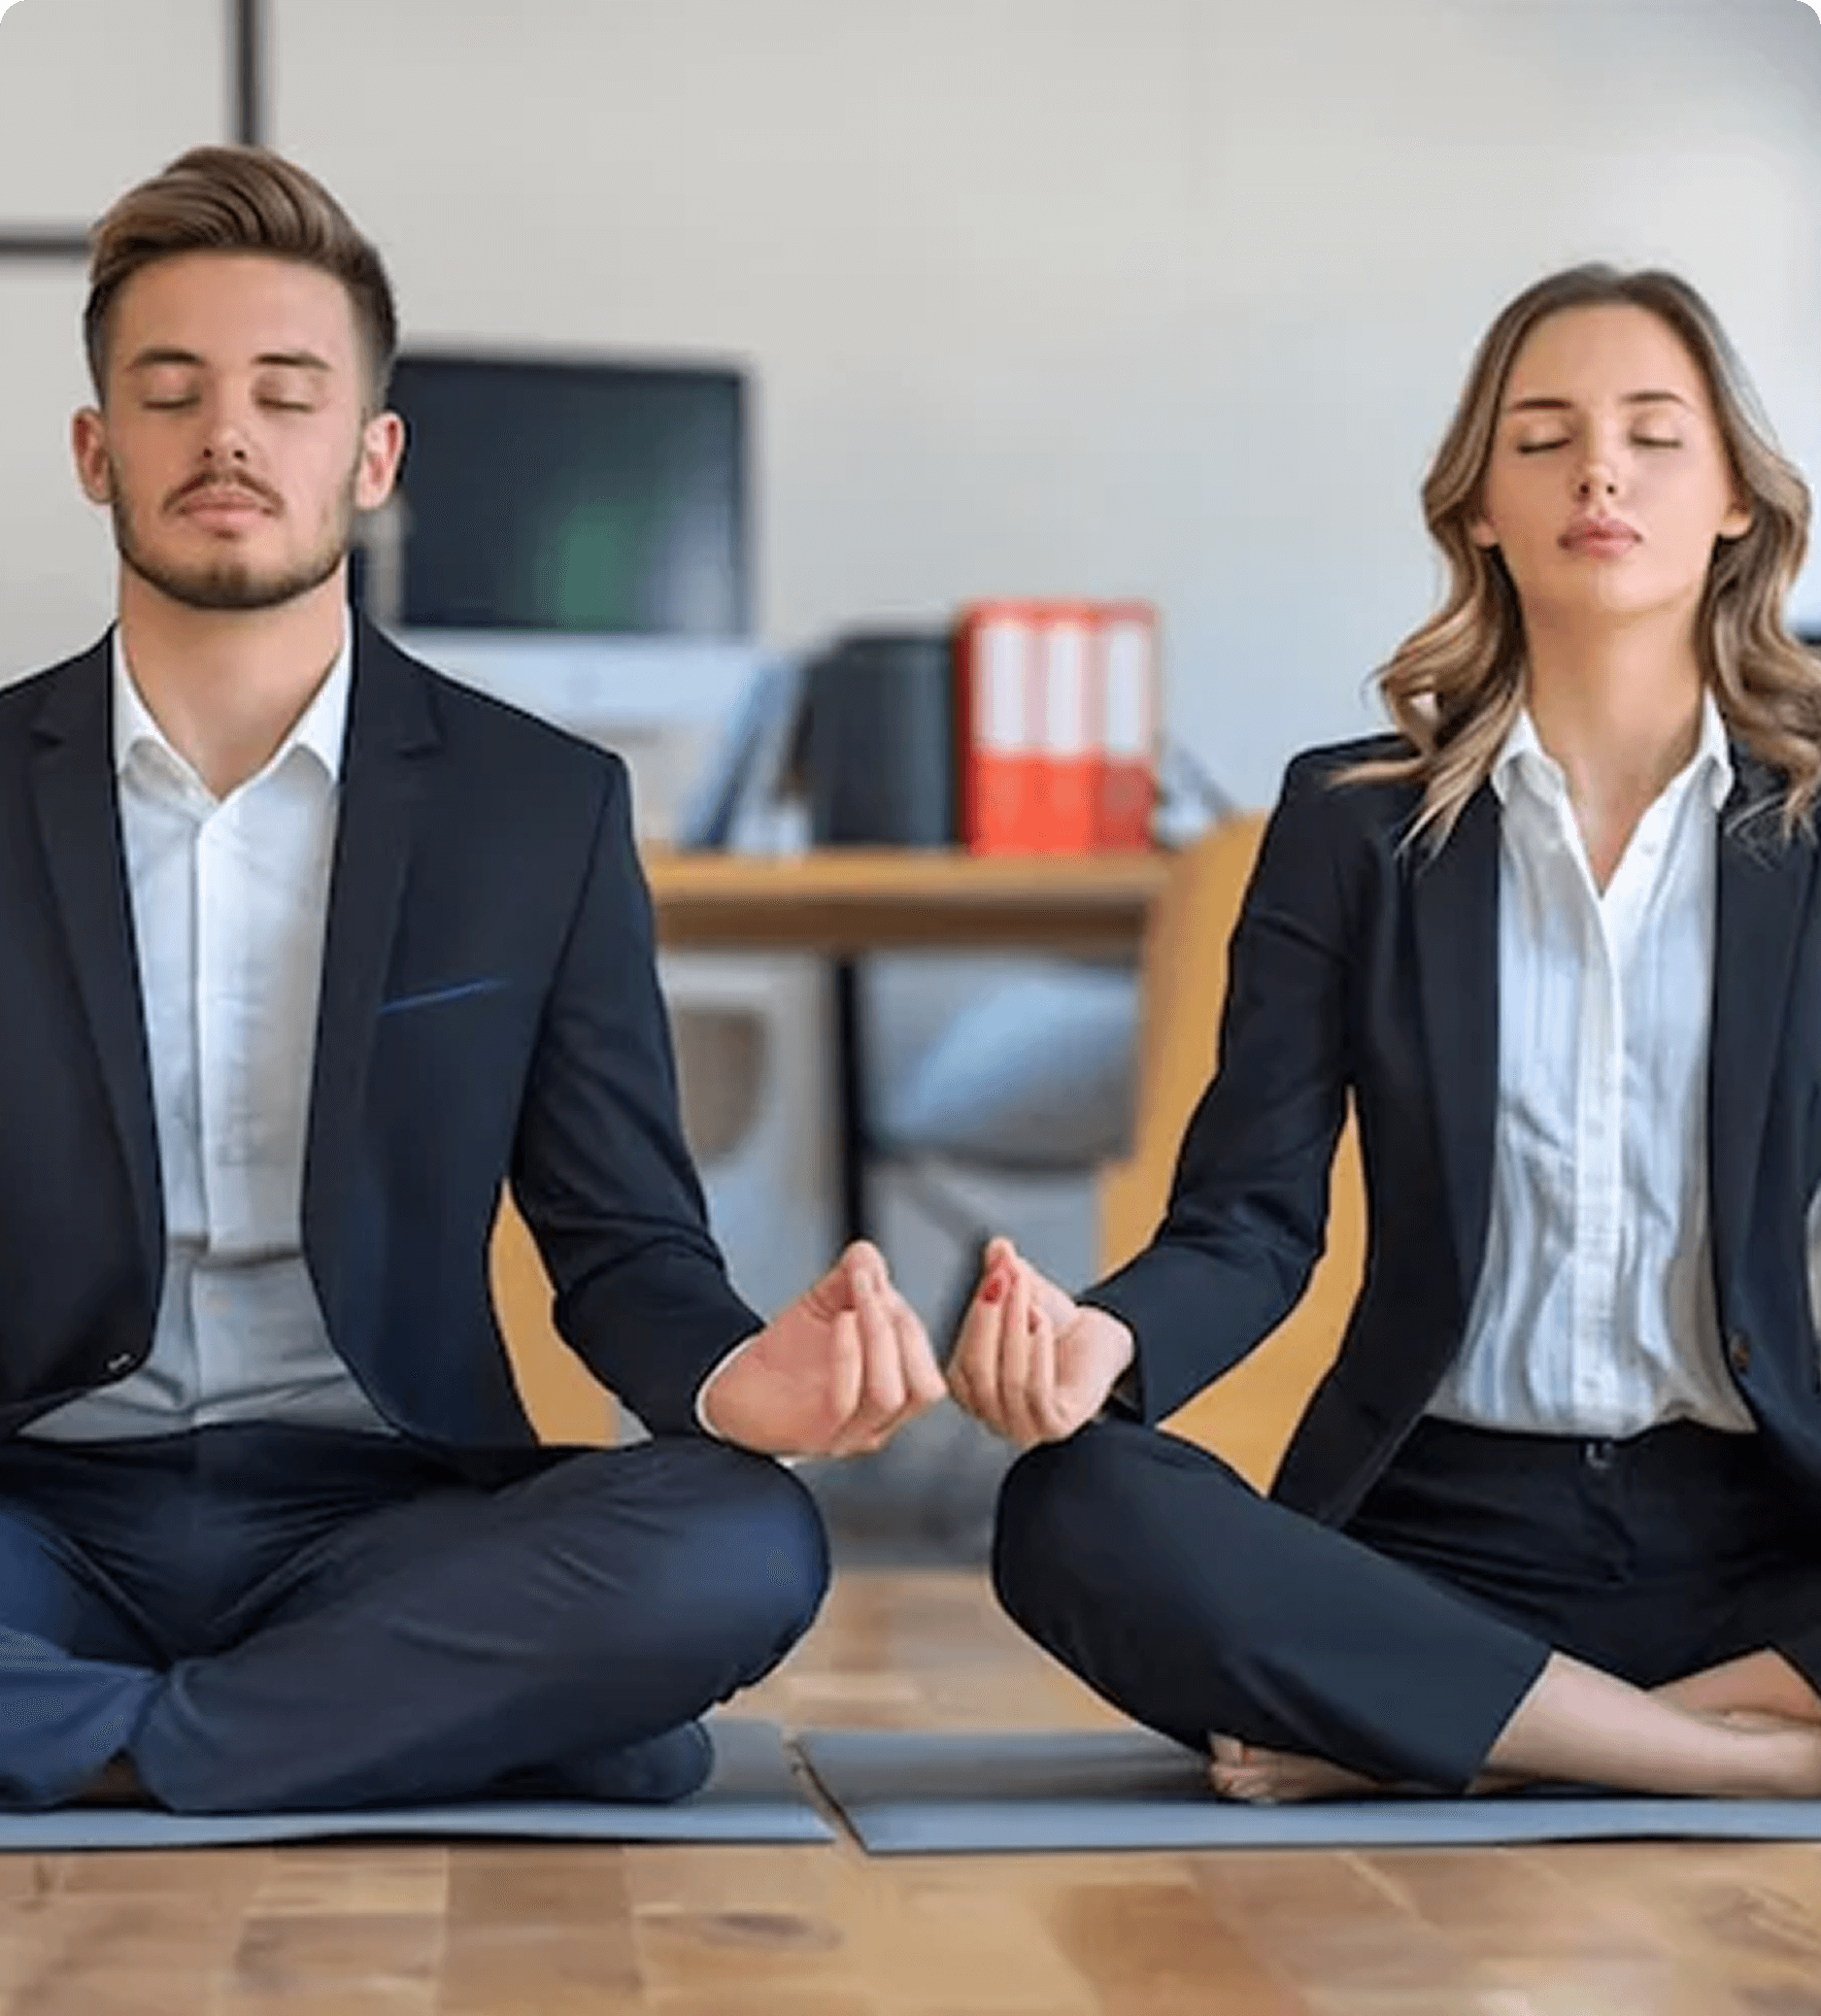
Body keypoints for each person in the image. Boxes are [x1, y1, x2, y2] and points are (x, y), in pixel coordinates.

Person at [0, 144, 944, 1816]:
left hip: (383, 1517)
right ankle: (399, 1730)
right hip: (33, 1505)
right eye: (172, 393)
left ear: (371, 458)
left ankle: (122, 1744)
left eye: (286, 396)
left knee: (734, 1541)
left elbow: (623, 1242)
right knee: (620, 1727)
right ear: (95, 450)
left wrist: (740, 1380)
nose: (228, 435)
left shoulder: (540, 811)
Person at [949, 262, 1821, 1802]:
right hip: (1435, 1540)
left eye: (1651, 435)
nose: (1598, 472)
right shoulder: (1353, 824)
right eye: (1541, 437)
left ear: (1739, 499)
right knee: (1075, 1512)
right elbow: (1249, 1222)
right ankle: (1711, 1757)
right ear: (1477, 504)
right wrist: (1107, 1340)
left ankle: (1433, 1739)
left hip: (1753, 1527)